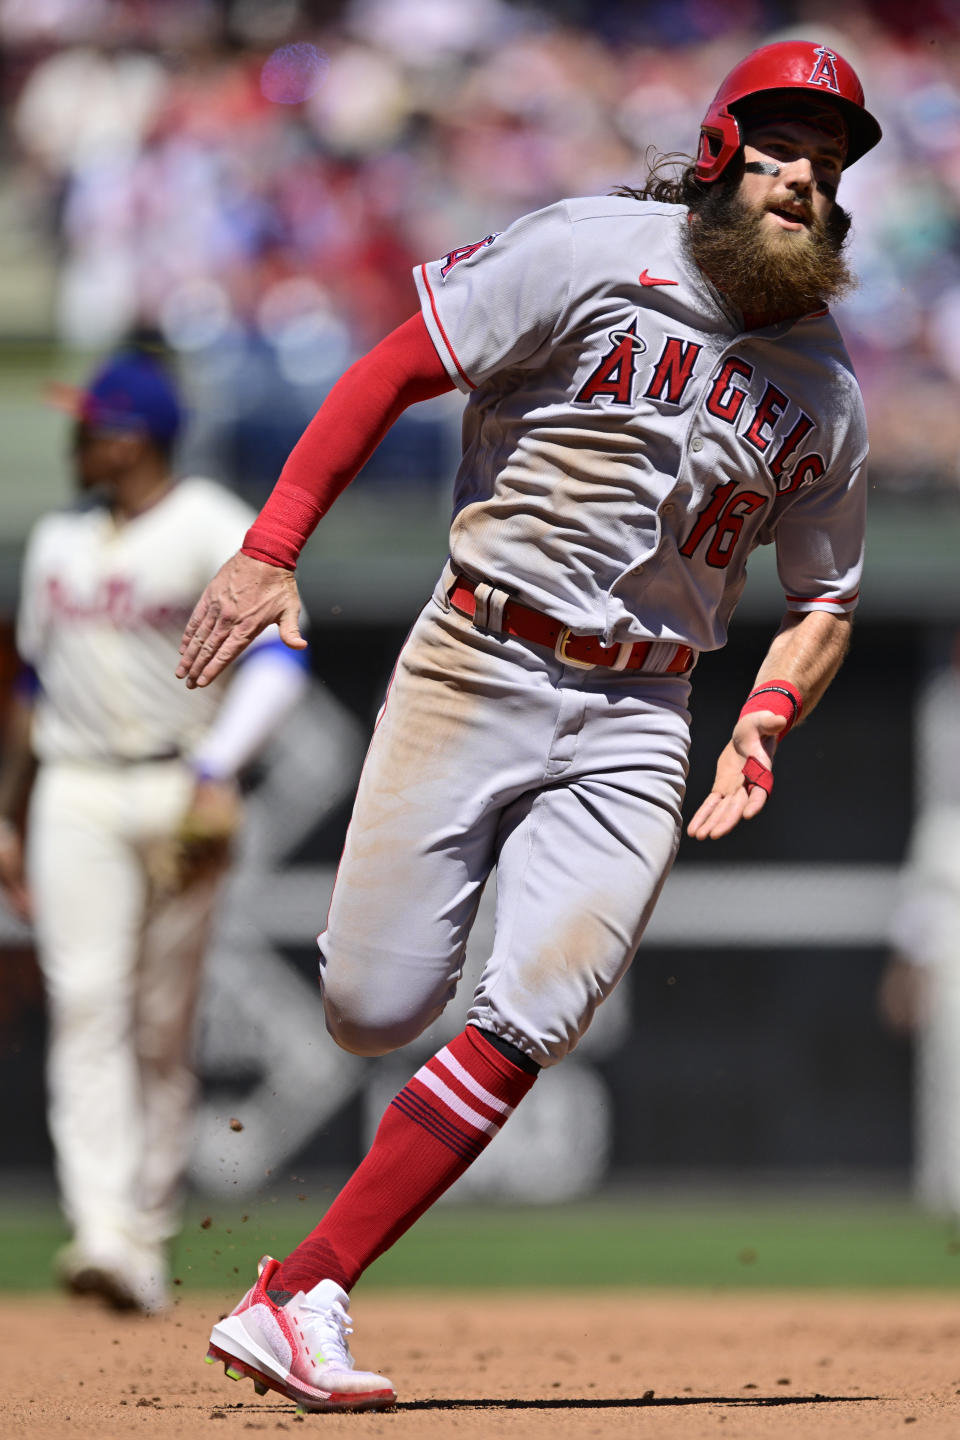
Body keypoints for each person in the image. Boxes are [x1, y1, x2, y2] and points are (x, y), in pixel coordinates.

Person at [178, 39, 880, 1411]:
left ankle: (300, 1289)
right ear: (724, 149)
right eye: (785, 144)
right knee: (374, 1008)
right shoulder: (589, 249)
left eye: (834, 158)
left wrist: (772, 714)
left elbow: (828, 599)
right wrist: (270, 548)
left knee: (539, 1002)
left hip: (641, 704)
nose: (807, 173)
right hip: (478, 654)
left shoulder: (829, 393)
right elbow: (395, 366)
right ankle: (307, 1257)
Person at [0, 344, 310, 1314]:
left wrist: (219, 768)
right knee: (87, 1005)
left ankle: (144, 1234)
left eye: (91, 425)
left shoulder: (212, 525)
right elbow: (31, 691)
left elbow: (278, 662)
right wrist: (10, 812)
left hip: (181, 784)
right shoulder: (57, 540)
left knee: (159, 1026)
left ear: (132, 440)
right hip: (77, 791)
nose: (76, 439)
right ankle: (103, 1233)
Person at [880, 636, 960, 1216]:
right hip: (951, 956)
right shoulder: (945, 826)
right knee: (950, 1081)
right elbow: (924, 910)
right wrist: (905, 974)